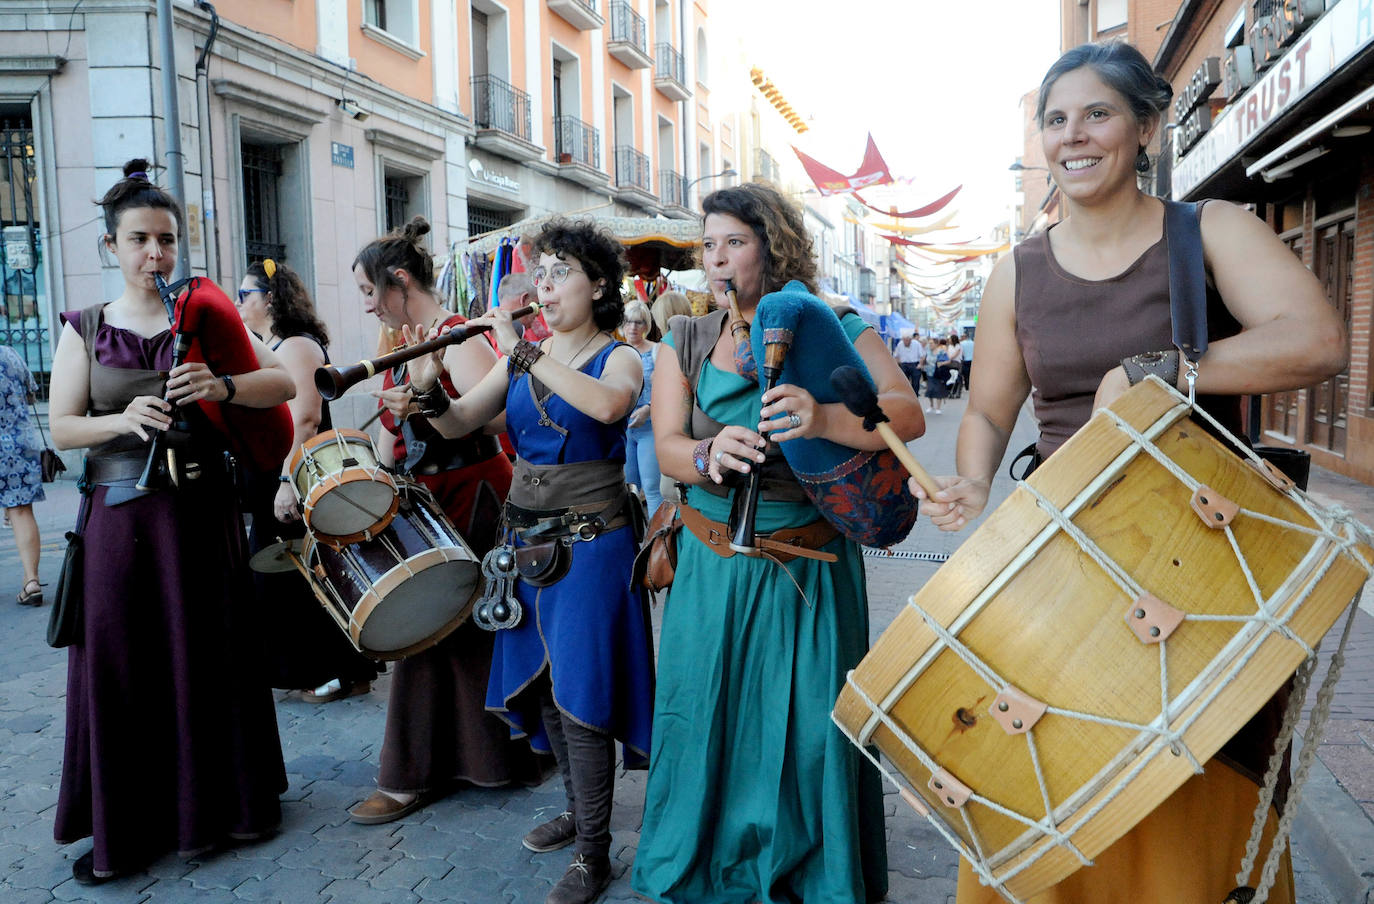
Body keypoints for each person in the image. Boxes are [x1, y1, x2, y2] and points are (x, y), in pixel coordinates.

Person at [912, 42, 1345, 904]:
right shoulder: (1017, 271)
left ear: (1145, 127)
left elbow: (1316, 341)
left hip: (1202, 559)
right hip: (1060, 562)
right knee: (1046, 762)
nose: (1074, 136)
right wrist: (971, 479)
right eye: (1056, 119)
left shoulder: (1211, 230)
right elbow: (993, 410)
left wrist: (1161, 369)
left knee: (1201, 777)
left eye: (1097, 114)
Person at [631, 182, 923, 904]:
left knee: (807, 732)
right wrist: (705, 456)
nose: (719, 258)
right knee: (705, 716)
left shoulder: (835, 323)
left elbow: (908, 415)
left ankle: (814, 871)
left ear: (773, 244)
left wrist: (823, 416)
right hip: (711, 564)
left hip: (811, 567)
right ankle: (705, 861)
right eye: (710, 244)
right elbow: (666, 444)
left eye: (735, 241)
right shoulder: (688, 337)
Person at [47, 159, 295, 883]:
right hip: (120, 524)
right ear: (111, 246)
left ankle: (218, 812)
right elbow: (62, 427)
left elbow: (281, 382)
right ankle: (133, 824)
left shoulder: (204, 314)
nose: (155, 253)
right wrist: (119, 418)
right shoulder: (86, 328)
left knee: (206, 656)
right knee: (125, 665)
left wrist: (222, 383)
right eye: (139, 240)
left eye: (166, 239)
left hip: (199, 516)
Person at [404, 218, 654, 904]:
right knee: (541, 688)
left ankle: (595, 854)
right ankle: (580, 813)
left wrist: (521, 350)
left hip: (593, 546)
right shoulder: (526, 354)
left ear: (598, 285)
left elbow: (607, 408)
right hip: (522, 545)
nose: (544, 286)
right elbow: (457, 424)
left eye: (561, 272)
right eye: (541, 274)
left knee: (583, 696)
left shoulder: (619, 355)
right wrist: (426, 388)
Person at [348, 216, 551, 825]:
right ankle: (477, 760)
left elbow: (491, 419)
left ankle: (421, 772)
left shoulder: (455, 335)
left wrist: (426, 401)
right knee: (441, 636)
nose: (366, 306)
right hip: (432, 495)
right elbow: (395, 432)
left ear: (398, 280)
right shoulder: (409, 339)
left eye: (367, 292)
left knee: (450, 629)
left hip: (472, 495)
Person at [235, 258, 381, 701]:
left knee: (300, 577)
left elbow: (305, 418)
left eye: (245, 295)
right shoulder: (276, 344)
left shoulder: (295, 346)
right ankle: (325, 670)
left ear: (271, 298)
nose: (238, 303)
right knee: (288, 578)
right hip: (284, 478)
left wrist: (284, 482)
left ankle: (329, 672)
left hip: (296, 480)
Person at [0, 343, 44, 605]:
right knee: (21, 511)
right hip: (19, 443)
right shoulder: (11, 354)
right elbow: (30, 396)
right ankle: (32, 581)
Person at [620, 299, 662, 514]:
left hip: (650, 428)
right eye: (628, 322)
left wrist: (649, 408)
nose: (633, 327)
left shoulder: (657, 351)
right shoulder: (615, 351)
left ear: (646, 325)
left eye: (638, 322)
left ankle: (656, 541)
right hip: (624, 429)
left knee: (652, 488)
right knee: (628, 487)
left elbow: (668, 389)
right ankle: (633, 540)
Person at [893, 327, 924, 394]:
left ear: (910, 339)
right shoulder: (900, 344)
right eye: (904, 340)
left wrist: (920, 364)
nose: (905, 342)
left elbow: (922, 355)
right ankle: (906, 396)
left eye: (907, 340)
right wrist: (898, 364)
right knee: (904, 382)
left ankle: (915, 396)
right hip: (904, 365)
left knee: (915, 383)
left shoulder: (916, 344)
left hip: (915, 364)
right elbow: (896, 356)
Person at [926, 337, 951, 414]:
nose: (930, 345)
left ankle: (938, 408)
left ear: (936, 344)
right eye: (929, 343)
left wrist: (941, 363)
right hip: (929, 373)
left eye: (931, 343)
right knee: (930, 390)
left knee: (938, 390)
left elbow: (948, 360)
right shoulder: (928, 352)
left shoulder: (941, 352)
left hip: (938, 374)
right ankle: (931, 405)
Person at [946, 331, 964, 398]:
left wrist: (950, 358)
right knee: (951, 377)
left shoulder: (958, 346)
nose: (949, 340)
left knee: (957, 378)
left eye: (950, 339)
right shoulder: (949, 346)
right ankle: (950, 392)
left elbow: (956, 354)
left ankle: (956, 392)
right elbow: (947, 353)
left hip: (957, 363)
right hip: (950, 363)